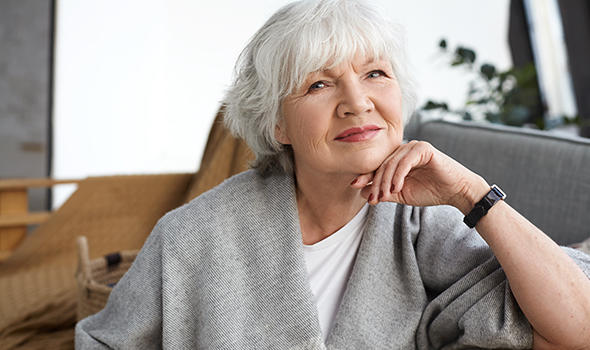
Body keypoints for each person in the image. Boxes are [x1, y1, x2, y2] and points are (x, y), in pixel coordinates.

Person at [75, 0, 590, 348]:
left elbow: (576, 327)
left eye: (375, 74)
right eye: (319, 84)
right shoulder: (192, 236)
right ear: (278, 123)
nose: (357, 102)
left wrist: (469, 191)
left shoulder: (421, 223)